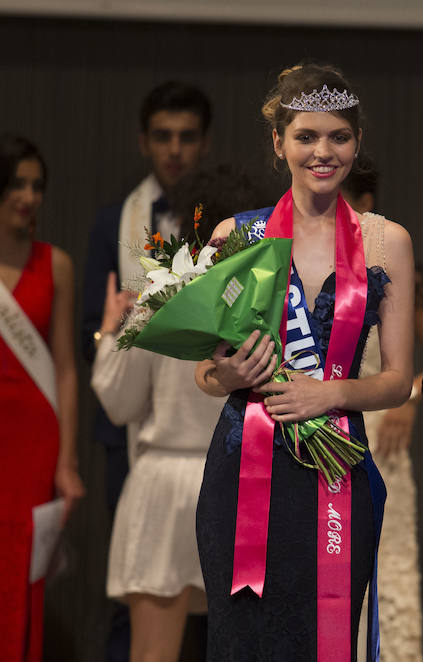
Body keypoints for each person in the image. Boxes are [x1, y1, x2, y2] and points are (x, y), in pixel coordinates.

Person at [193, 63, 415, 661]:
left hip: (338, 466)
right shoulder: (236, 236)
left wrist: (331, 395)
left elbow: (396, 381)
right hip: (244, 472)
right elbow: (205, 372)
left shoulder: (384, 241)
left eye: (338, 137)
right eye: (306, 137)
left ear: (357, 143)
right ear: (278, 143)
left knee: (325, 640)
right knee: (243, 641)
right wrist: (229, 377)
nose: (323, 152)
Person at [90, 164, 274, 662]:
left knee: (152, 653)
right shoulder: (271, 297)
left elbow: (119, 402)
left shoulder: (164, 293)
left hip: (165, 484)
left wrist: (111, 332)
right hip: (245, 481)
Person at [80, 80, 212, 662]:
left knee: (219, 608)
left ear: (203, 144)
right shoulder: (116, 222)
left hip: (209, 426)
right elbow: (92, 320)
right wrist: (122, 334)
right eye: (163, 137)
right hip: (136, 426)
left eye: (186, 137)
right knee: (141, 592)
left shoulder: (230, 226)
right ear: (143, 142)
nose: (174, 150)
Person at [0, 134, 85, 661]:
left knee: (20, 574)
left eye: (36, 185)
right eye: (16, 184)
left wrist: (67, 462)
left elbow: (64, 366)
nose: (28, 196)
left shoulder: (55, 264)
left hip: (34, 442)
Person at [343, 155, 423, 662]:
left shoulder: (389, 257)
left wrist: (411, 396)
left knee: (386, 572)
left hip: (380, 439)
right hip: (315, 433)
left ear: (366, 203)